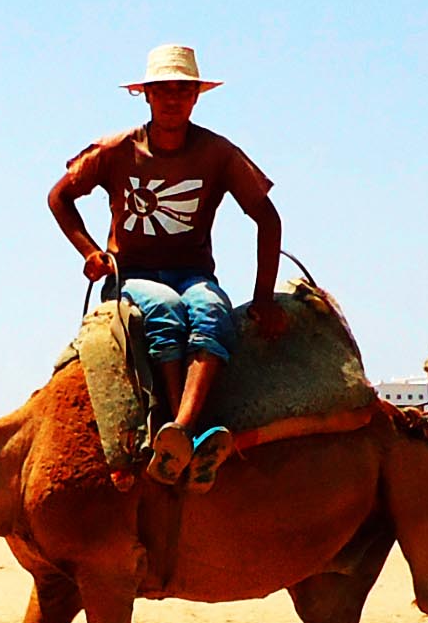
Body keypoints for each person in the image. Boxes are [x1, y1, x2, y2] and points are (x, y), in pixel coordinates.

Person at [46, 43, 289, 488]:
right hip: (131, 277)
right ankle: (182, 435)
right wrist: (89, 252)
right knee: (163, 309)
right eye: (163, 90)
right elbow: (59, 196)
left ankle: (180, 428)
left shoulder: (217, 153)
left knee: (211, 308)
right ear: (147, 96)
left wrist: (263, 298)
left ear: (196, 97)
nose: (173, 99)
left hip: (194, 275)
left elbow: (267, 218)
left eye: (182, 90)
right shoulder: (117, 149)